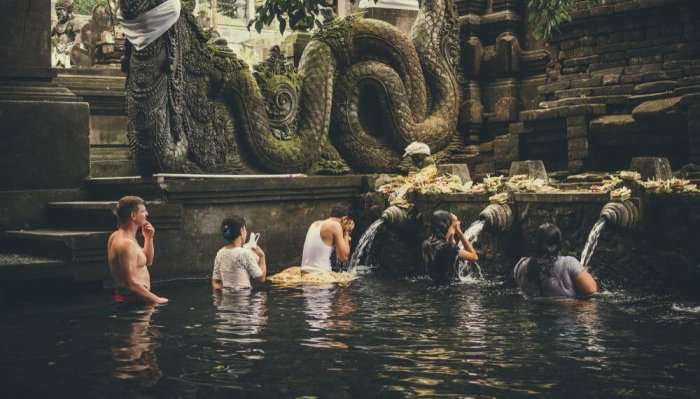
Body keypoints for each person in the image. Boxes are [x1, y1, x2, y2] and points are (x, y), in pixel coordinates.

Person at [107, 196, 168, 304]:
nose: (147, 214)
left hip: (136, 298)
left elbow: (148, 261)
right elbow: (130, 283)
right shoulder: (126, 244)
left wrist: (148, 238)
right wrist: (157, 300)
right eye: (143, 211)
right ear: (133, 215)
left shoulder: (118, 236)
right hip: (134, 301)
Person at [514, 223, 598, 299]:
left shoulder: (520, 265)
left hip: (534, 314)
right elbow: (591, 290)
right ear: (559, 244)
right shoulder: (568, 263)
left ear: (535, 242)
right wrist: (583, 273)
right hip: (564, 312)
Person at [422, 210, 479, 284]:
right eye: (454, 223)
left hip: (430, 284)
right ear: (446, 226)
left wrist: (451, 233)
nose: (458, 224)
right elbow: (474, 257)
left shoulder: (427, 243)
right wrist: (460, 233)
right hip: (448, 288)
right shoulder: (448, 247)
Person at [212, 216, 267, 290]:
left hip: (226, 299)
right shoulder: (244, 253)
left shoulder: (220, 253)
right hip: (244, 297)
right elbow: (261, 278)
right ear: (241, 231)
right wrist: (261, 256)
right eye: (245, 229)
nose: (246, 232)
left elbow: (215, 283)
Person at [300, 204, 355, 273]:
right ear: (344, 219)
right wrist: (346, 232)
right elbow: (343, 257)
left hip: (305, 272)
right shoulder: (335, 225)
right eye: (349, 223)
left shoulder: (315, 224)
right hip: (320, 274)